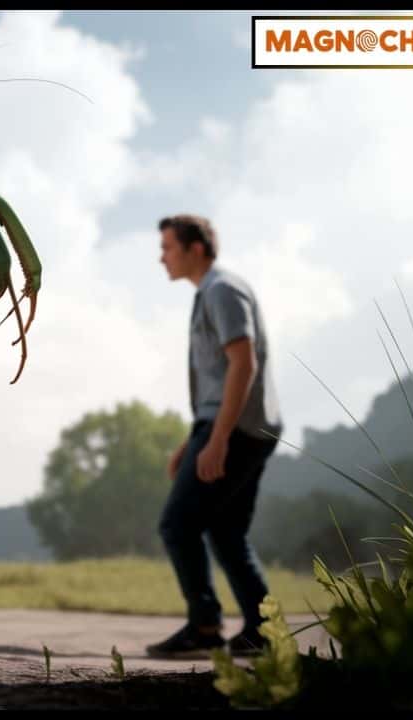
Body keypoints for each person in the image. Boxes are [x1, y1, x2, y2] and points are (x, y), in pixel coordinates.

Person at [146, 214, 283, 659]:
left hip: (239, 427)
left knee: (178, 524)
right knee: (225, 532)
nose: (161, 256)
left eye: (168, 247)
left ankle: (205, 626)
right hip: (237, 424)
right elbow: (219, 379)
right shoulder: (211, 291)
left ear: (195, 249)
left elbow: (243, 364)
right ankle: (263, 631)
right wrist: (195, 440)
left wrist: (219, 437)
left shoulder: (222, 290)